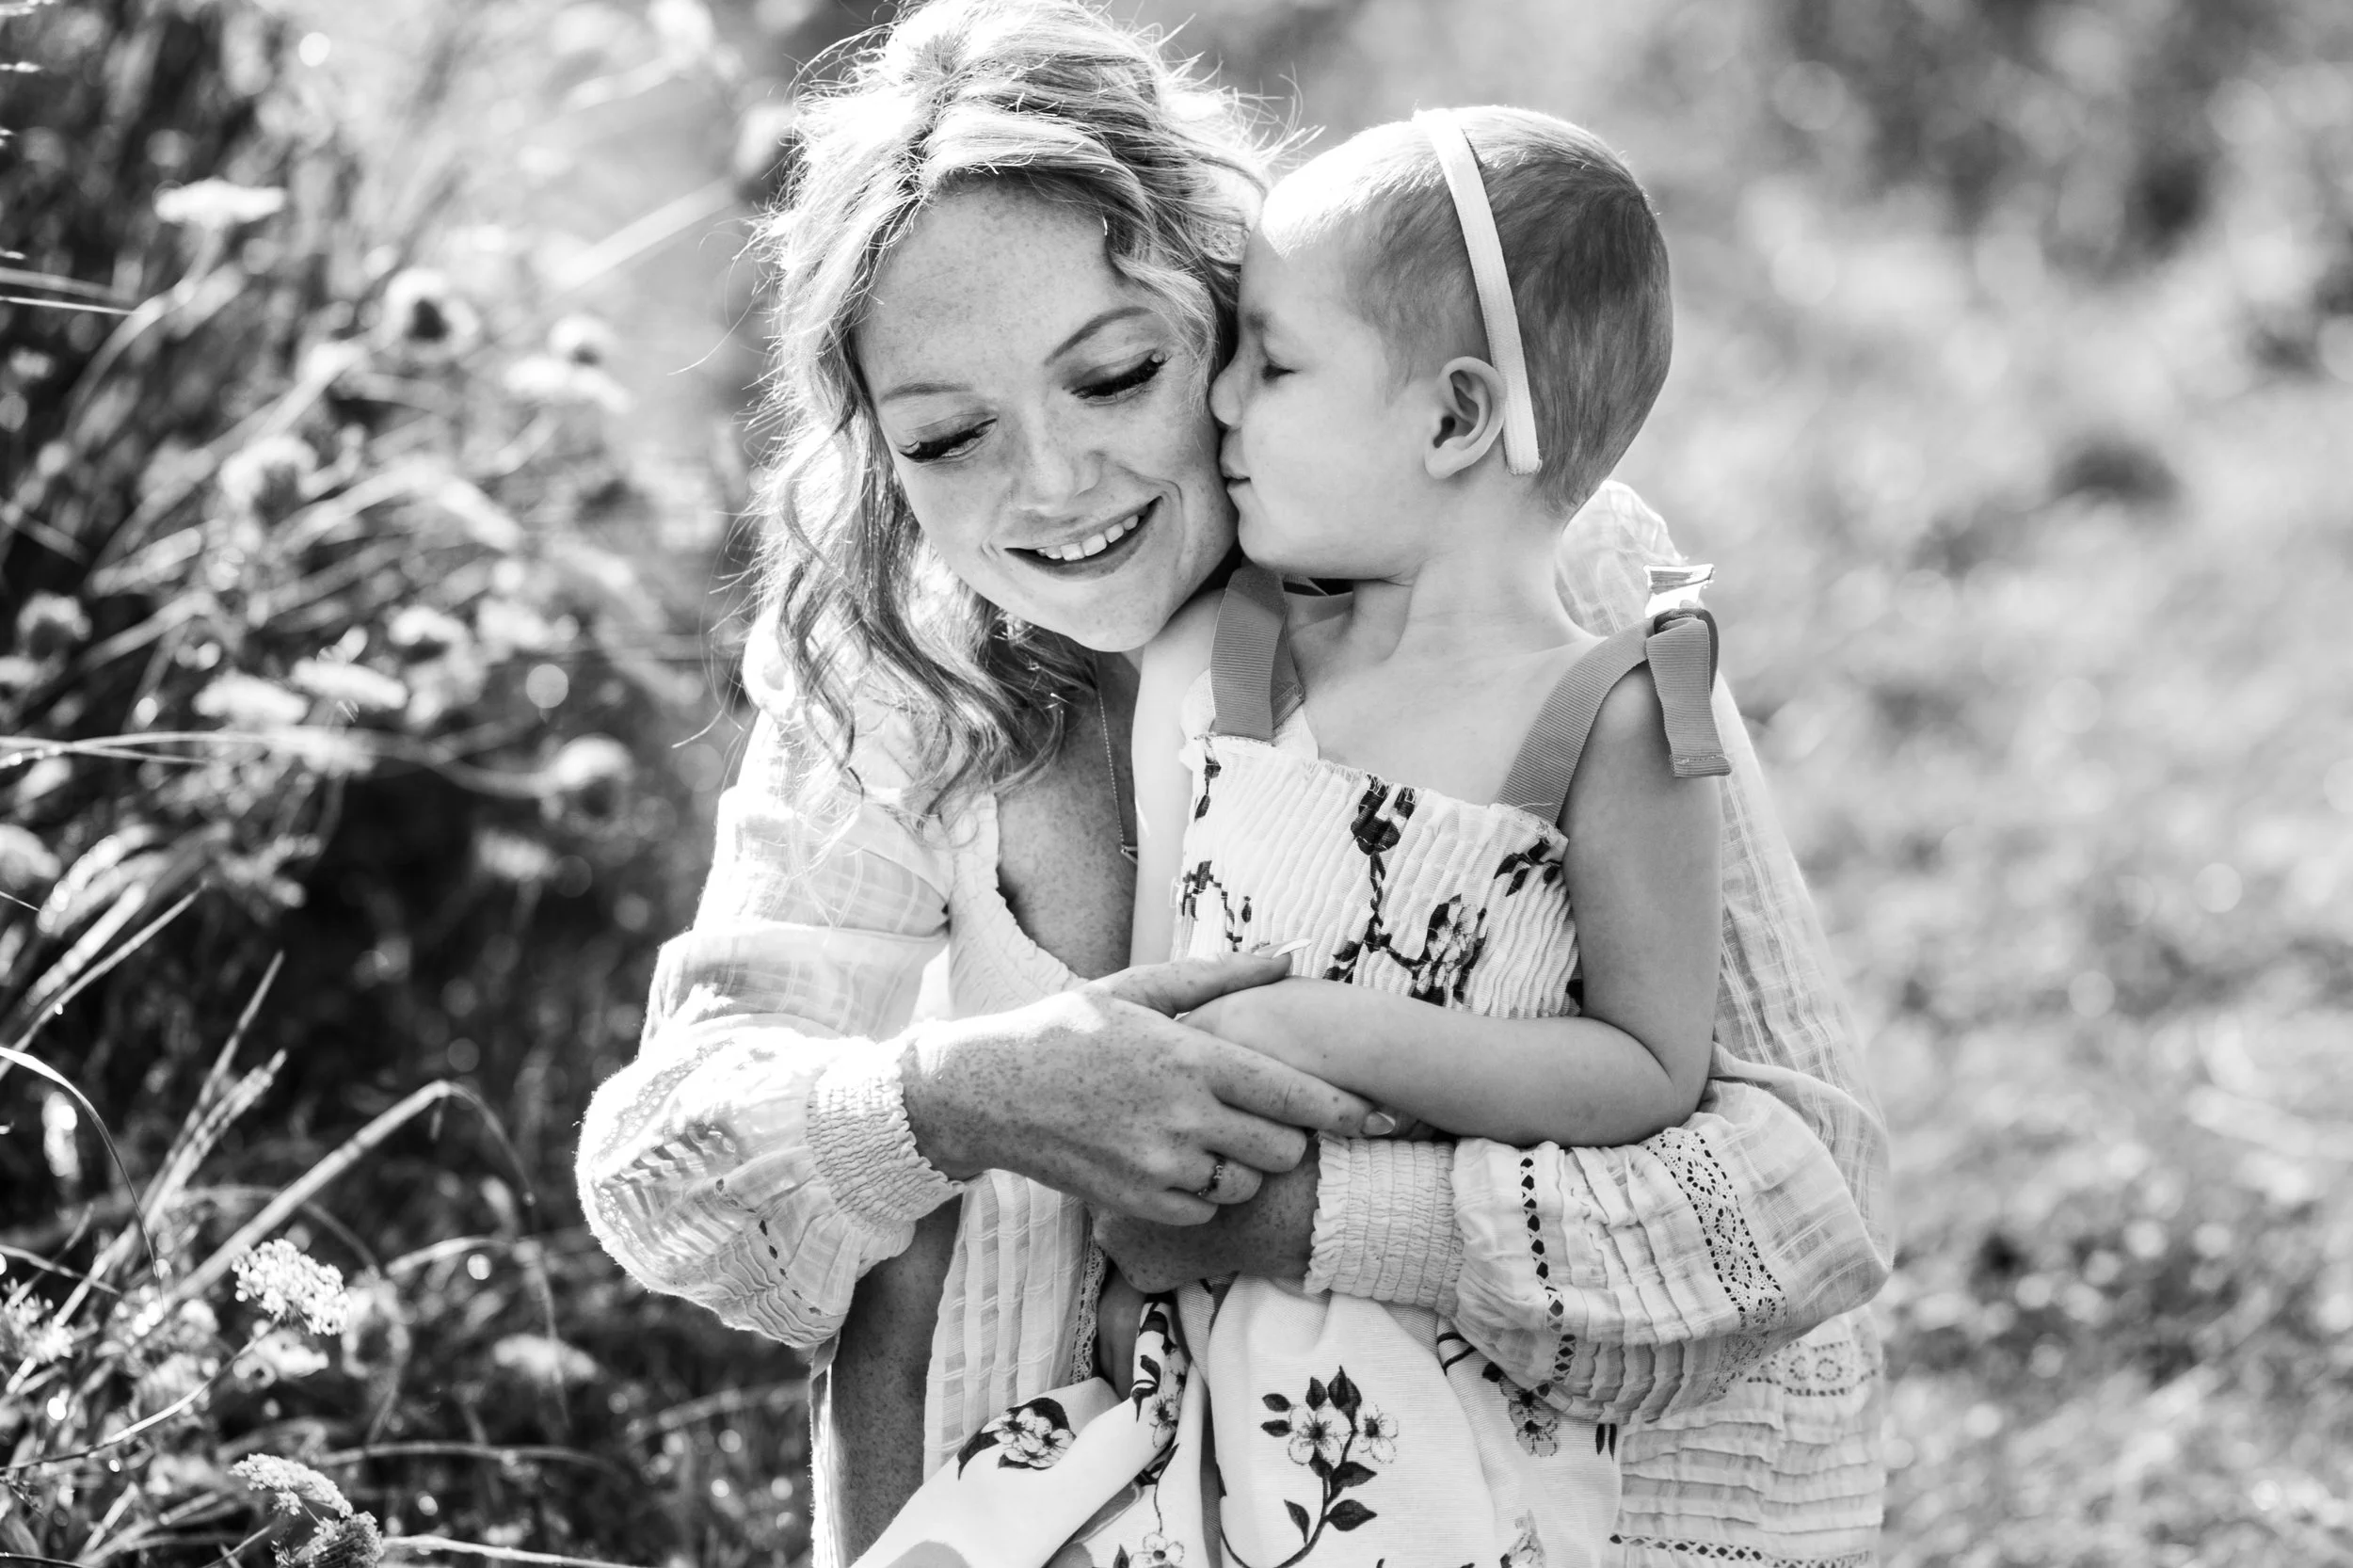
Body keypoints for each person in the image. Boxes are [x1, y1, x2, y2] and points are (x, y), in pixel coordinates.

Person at [572, 3, 1894, 1565]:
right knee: (897, 1145)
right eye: (949, 436)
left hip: (1522, 1501)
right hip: (1070, 1481)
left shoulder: (1530, 582)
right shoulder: (898, 676)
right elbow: (668, 1161)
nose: (1052, 485)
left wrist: (1314, 1217)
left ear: (1235, 316)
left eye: (1118, 376)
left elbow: (1806, 1189)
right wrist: (960, 1095)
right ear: (880, 453)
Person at [853, 104, 1731, 1568]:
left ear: (1452, 417)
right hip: (1179, 1359)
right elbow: (1156, 1033)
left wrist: (1334, 1036)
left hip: (1454, 1387)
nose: (1225, 405)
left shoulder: (1617, 718)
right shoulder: (1224, 666)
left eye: (1273, 361)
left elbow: (1652, 1069)